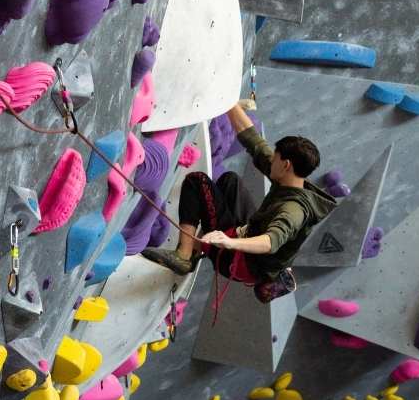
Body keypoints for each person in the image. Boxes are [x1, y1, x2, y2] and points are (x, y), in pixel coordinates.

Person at [142, 100, 337, 300]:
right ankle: (199, 244)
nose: (273, 161)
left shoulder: (294, 209)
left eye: (276, 158)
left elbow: (270, 242)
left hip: (240, 261)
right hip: (249, 233)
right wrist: (228, 101)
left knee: (196, 181)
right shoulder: (291, 181)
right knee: (230, 181)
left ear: (286, 164)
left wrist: (229, 242)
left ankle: (184, 255)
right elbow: (253, 140)